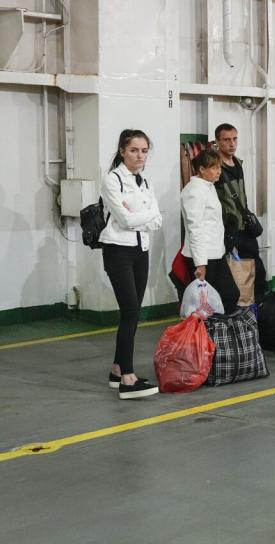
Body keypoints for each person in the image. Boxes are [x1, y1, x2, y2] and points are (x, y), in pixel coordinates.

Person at [99, 129, 162, 400]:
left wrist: (140, 215)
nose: (140, 156)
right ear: (123, 151)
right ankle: (127, 378)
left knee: (133, 313)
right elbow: (124, 220)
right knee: (130, 312)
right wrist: (143, 216)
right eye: (134, 150)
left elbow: (158, 219)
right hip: (118, 251)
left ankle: (116, 370)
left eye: (144, 150)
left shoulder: (144, 182)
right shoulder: (112, 180)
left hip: (141, 249)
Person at [181, 150, 241, 315]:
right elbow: (195, 228)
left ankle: (215, 336)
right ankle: (204, 338)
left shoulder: (208, 187)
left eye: (219, 167)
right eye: (214, 168)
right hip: (203, 256)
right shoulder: (194, 191)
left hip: (215, 253)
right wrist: (200, 263)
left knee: (229, 295)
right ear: (201, 169)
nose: (219, 171)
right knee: (204, 305)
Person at [214, 123, 266, 300]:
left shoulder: (238, 163)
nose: (232, 143)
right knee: (234, 274)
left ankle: (257, 309)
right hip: (229, 230)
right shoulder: (215, 168)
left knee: (258, 271)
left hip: (246, 227)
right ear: (218, 142)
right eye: (226, 140)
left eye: (234, 139)